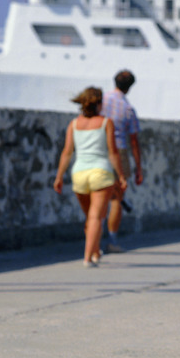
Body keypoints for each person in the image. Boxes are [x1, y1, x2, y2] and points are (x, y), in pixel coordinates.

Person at [53, 86, 126, 266]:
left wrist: (59, 176)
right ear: (99, 103)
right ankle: (87, 257)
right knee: (96, 217)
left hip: (79, 173)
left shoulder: (74, 124)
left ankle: (95, 253)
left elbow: (67, 152)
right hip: (100, 173)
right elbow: (113, 153)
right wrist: (121, 176)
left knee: (90, 218)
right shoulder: (105, 123)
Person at [101, 70, 143, 253]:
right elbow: (134, 141)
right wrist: (138, 168)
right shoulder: (127, 109)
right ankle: (112, 241)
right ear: (130, 87)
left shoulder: (100, 100)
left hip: (97, 150)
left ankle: (92, 242)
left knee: (97, 197)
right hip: (119, 151)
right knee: (116, 199)